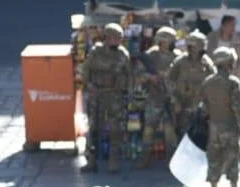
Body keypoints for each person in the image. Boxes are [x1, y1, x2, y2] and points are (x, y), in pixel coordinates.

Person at [78, 23, 134, 174]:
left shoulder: (123, 54)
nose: (117, 42)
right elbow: (85, 70)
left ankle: (113, 162)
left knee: (116, 130)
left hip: (115, 97)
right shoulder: (96, 52)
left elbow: (129, 76)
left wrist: (128, 96)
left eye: (119, 39)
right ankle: (91, 161)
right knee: (93, 128)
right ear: (107, 38)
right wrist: (90, 86)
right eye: (114, 38)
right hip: (97, 95)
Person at [199, 48, 240, 187]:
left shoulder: (207, 83)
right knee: (233, 159)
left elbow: (204, 108)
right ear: (228, 63)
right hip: (229, 127)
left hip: (213, 128)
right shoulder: (233, 82)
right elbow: (237, 108)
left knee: (214, 160)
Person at [138, 27, 180, 166]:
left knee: (170, 131)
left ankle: (172, 161)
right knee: (149, 129)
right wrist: (150, 77)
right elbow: (138, 74)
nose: (173, 43)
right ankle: (145, 158)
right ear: (162, 41)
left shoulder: (177, 56)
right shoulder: (150, 56)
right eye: (170, 40)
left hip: (171, 98)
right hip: (154, 98)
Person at [168, 31, 215, 139]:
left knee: (201, 135)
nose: (192, 48)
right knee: (183, 135)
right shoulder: (180, 61)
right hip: (184, 106)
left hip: (201, 107)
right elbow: (169, 80)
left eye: (194, 46)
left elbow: (214, 81)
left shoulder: (207, 62)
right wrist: (174, 99)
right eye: (190, 46)